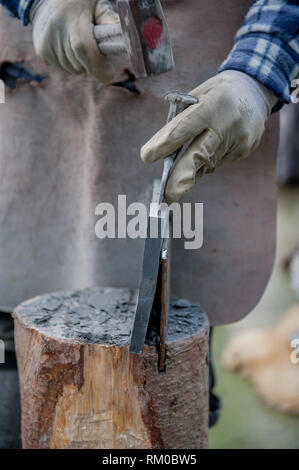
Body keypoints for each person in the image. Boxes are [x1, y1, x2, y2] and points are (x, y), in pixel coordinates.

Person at [0, 0, 298, 446]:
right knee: (17, 399)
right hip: (36, 126)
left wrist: (257, 73)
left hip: (203, 89)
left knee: (163, 379)